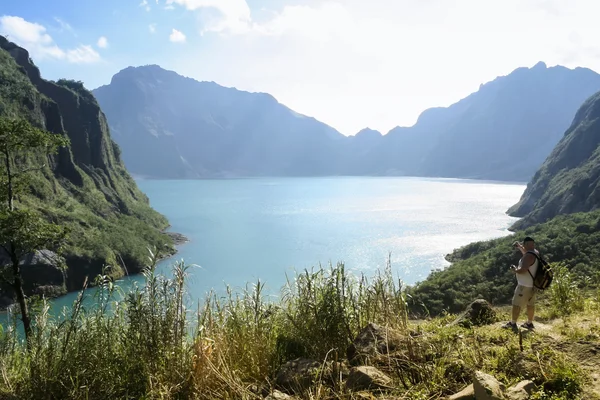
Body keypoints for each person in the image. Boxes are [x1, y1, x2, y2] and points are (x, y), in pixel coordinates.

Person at [502, 236, 539, 330]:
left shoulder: (528, 256)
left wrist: (515, 270)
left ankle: (512, 323)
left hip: (524, 286)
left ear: (526, 244)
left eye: (523, 245)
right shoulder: (535, 253)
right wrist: (519, 247)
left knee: (516, 304)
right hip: (533, 285)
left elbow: (523, 270)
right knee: (530, 304)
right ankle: (529, 323)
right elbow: (527, 254)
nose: (522, 246)